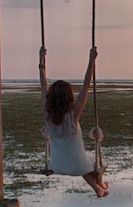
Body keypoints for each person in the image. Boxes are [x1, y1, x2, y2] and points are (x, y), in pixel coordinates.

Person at [40, 46, 108, 197]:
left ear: (51, 97)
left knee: (80, 162)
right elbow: (86, 86)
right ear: (69, 97)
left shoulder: (47, 114)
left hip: (57, 166)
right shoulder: (73, 115)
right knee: (95, 163)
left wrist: (41, 62)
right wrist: (92, 60)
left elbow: (43, 86)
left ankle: (99, 188)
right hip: (76, 165)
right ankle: (100, 185)